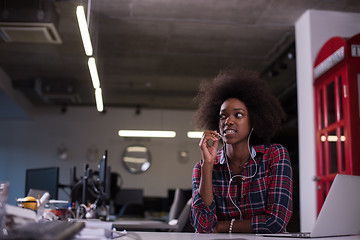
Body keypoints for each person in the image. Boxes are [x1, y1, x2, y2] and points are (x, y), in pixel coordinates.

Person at [190, 67, 293, 233]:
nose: (228, 121)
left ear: (254, 121)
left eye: (238, 115)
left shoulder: (274, 156)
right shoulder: (202, 169)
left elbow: (276, 222)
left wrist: (222, 226)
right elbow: (203, 226)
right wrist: (208, 165)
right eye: (223, 116)